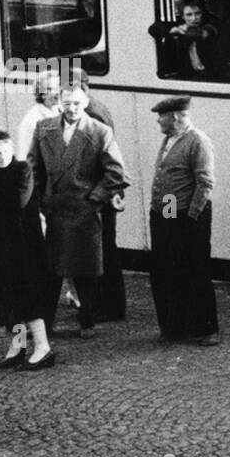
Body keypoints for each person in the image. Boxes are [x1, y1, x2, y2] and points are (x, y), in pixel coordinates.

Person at [29, 80, 129, 339]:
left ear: (86, 103)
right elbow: (33, 167)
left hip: (84, 212)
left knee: (85, 270)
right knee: (50, 271)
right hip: (55, 210)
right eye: (67, 102)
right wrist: (40, 199)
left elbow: (116, 173)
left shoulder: (99, 131)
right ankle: (45, 324)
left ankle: (87, 321)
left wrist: (94, 199)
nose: (71, 108)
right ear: (58, 102)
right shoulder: (43, 128)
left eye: (77, 103)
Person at [0, 131, 54, 371]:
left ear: (12, 150)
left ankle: (43, 347)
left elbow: (19, 201)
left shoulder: (23, 170)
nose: (1, 156)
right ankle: (18, 346)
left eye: (5, 150)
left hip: (24, 244)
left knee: (28, 294)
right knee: (9, 298)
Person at [148, 96, 220, 346]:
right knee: (168, 270)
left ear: (175, 117)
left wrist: (191, 216)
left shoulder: (197, 140)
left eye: (161, 116)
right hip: (167, 214)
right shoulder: (169, 139)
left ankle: (207, 328)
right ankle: (175, 326)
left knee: (195, 270)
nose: (158, 121)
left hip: (187, 218)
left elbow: (205, 182)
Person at [83, 84, 126, 323]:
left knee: (102, 251)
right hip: (106, 191)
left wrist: (97, 195)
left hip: (99, 194)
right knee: (106, 249)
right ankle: (111, 305)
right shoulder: (97, 107)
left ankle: (108, 306)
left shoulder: (92, 115)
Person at [147, 0, 224, 81]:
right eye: (189, 15)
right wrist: (172, 29)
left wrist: (184, 30)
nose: (194, 18)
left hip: (212, 76)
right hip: (188, 78)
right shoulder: (178, 27)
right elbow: (153, 29)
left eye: (198, 13)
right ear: (182, 16)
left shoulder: (211, 24)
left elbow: (207, 32)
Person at [15, 71, 62, 171]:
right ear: (41, 94)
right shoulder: (31, 120)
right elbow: (25, 157)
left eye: (58, 86)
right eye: (51, 89)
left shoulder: (62, 110)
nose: (58, 92)